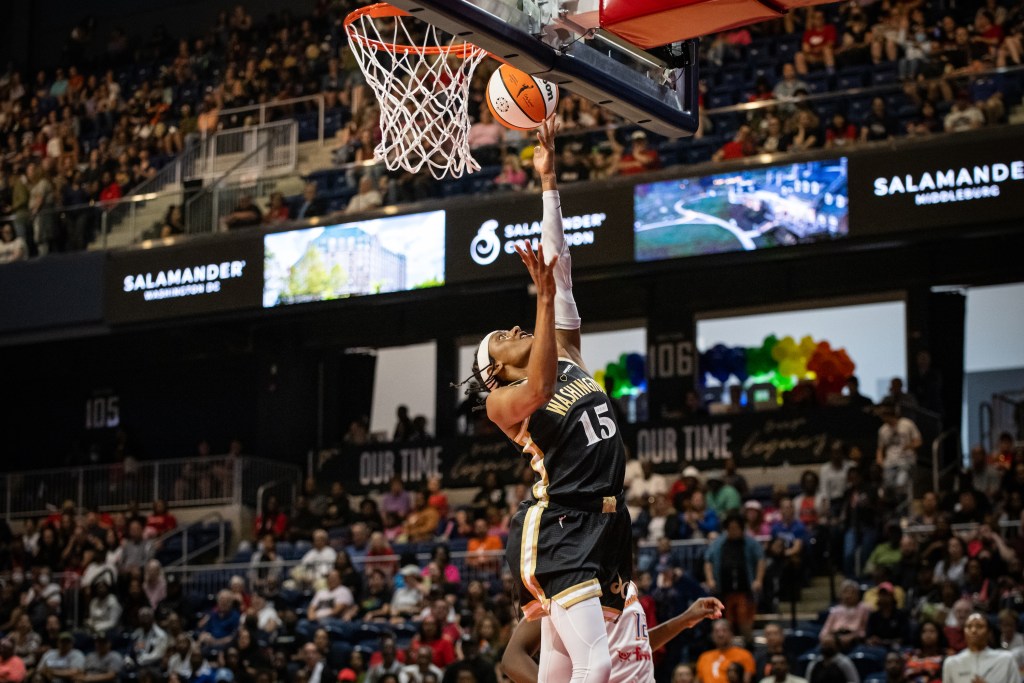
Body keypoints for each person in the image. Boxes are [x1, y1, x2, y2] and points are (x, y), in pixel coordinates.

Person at [464, 118, 631, 683]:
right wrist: (540, 297)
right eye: (504, 338)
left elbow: (561, 267)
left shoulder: (568, 354)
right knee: (598, 664)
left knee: (559, 667)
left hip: (605, 521)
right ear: (496, 368)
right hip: (559, 523)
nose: (515, 329)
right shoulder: (503, 403)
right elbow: (536, 389)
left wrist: (549, 180)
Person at [501, 581, 723, 682]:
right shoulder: (570, 585)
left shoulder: (627, 585)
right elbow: (513, 658)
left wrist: (685, 619)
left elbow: (633, 647)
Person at [704, 513, 765, 643]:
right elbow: (708, 560)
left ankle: (749, 647)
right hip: (725, 590)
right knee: (726, 623)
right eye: (730, 528)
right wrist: (710, 579)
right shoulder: (719, 543)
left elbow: (761, 559)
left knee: (745, 622)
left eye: (736, 528)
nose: (733, 531)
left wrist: (758, 580)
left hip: (744, 590)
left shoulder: (749, 543)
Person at [941, 613, 1017, 683]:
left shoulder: (1006, 659)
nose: (973, 630)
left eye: (979, 626)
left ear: (989, 632)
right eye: (969, 626)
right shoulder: (952, 663)